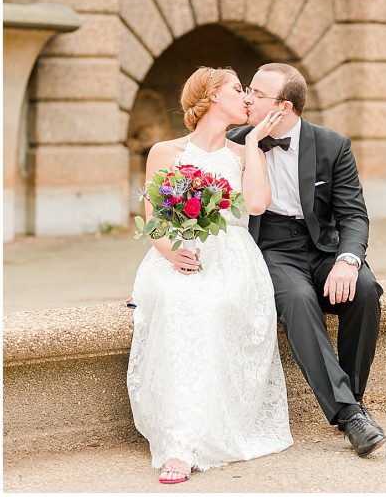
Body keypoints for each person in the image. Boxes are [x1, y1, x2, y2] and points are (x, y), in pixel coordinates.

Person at [128, 67, 292, 485]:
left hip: (235, 259)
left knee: (211, 303)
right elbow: (153, 220)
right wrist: (172, 253)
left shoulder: (243, 153)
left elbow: (255, 206)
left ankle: (199, 435)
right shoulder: (165, 152)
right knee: (182, 301)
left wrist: (254, 144)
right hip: (178, 255)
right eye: (239, 90)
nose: (247, 98)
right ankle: (180, 444)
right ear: (213, 96)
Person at [228, 63, 386, 457]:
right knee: (297, 300)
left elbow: (353, 214)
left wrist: (348, 260)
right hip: (273, 247)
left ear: (283, 108)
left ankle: (351, 399)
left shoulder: (332, 145)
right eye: (247, 89)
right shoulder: (236, 142)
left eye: (257, 93)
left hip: (324, 246)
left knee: (364, 289)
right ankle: (351, 416)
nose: (248, 98)